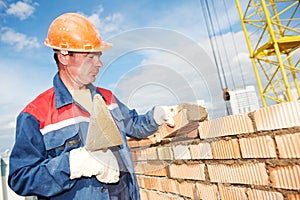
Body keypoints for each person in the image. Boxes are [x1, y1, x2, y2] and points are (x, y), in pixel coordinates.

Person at [8, 12, 178, 200]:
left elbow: (133, 125)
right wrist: (74, 165)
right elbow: (20, 178)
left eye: (98, 56)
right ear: (64, 57)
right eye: (90, 57)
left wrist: (156, 116)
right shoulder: (36, 115)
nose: (99, 63)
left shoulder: (107, 98)